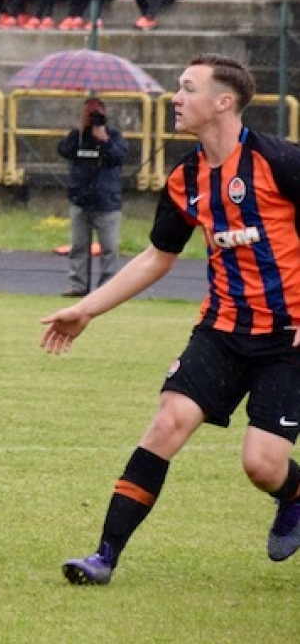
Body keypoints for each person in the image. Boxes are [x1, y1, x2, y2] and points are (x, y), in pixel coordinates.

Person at [42, 54, 300, 585]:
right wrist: (86, 308)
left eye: (187, 88)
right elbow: (157, 257)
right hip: (221, 331)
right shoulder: (186, 177)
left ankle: (294, 495)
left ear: (223, 102)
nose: (175, 99)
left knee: (262, 466)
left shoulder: (278, 161)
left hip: (287, 340)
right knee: (166, 423)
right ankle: (103, 557)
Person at [56, 98, 126, 297]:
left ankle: (108, 288)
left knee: (109, 247)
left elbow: (119, 157)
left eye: (96, 114)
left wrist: (104, 140)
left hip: (106, 202)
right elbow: (62, 150)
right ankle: (78, 285)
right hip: (81, 200)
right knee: (79, 246)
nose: (92, 118)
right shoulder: (77, 137)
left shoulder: (114, 137)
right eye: (89, 113)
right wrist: (80, 131)